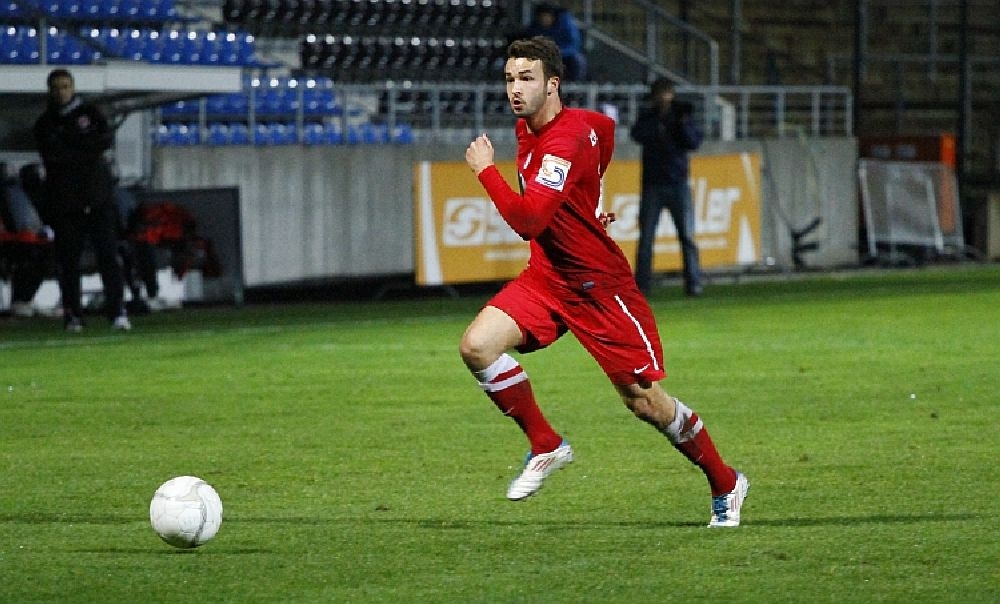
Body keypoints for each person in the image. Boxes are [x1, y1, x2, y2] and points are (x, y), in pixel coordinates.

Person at [462, 36, 748, 527]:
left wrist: (485, 172)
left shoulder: (563, 140)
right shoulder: (547, 127)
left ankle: (725, 481)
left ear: (553, 84)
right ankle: (546, 443)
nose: (515, 89)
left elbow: (529, 221)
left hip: (598, 287)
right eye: (509, 79)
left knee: (645, 403)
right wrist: (589, 204)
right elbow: (605, 133)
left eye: (526, 78)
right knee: (476, 346)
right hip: (548, 277)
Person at [33, 68, 130, 332]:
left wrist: (73, 146)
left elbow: (103, 140)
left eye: (65, 86)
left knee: (108, 256)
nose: (61, 92)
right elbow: (54, 156)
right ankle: (73, 315)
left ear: (73, 88)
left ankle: (117, 311)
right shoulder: (45, 124)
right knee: (69, 261)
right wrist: (82, 146)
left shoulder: (91, 113)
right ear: (50, 90)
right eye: (56, 87)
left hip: (98, 198)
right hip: (66, 202)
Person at [630, 77, 704, 297]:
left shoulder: (681, 116)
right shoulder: (648, 117)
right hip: (653, 184)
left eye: (667, 93)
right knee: (646, 238)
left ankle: (694, 283)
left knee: (687, 237)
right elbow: (638, 135)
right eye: (660, 94)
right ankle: (642, 285)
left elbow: (693, 142)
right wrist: (657, 125)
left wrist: (680, 124)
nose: (663, 98)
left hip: (677, 183)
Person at [524, 2, 587, 81]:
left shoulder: (566, 24)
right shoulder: (534, 28)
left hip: (564, 56)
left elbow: (574, 45)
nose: (544, 19)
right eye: (542, 17)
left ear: (553, 16)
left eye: (547, 16)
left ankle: (574, 85)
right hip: (542, 58)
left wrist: (556, 53)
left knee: (577, 60)